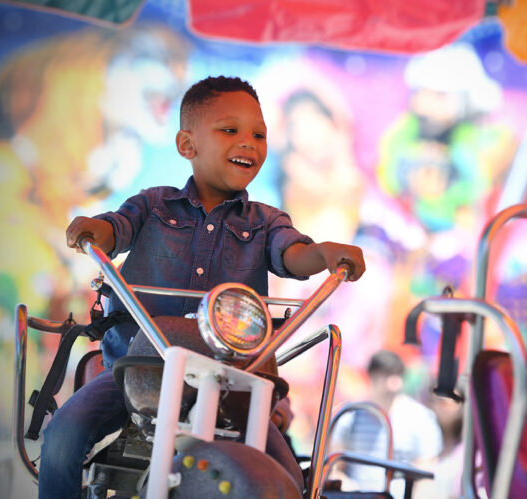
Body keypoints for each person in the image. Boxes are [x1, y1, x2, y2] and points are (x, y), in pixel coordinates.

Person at [39, 75, 366, 499]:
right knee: (62, 436)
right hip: (139, 371)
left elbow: (293, 254)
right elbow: (115, 229)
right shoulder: (153, 204)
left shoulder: (266, 221)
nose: (248, 142)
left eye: (259, 134)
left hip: (232, 379)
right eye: (231, 130)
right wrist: (95, 230)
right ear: (187, 145)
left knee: (289, 478)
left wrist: (323, 253)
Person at [329, 349, 442, 496]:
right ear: (371, 377)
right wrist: (351, 490)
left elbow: (426, 474)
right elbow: (335, 469)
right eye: (386, 376)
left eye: (397, 376)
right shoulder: (350, 416)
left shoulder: (421, 419)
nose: (393, 385)